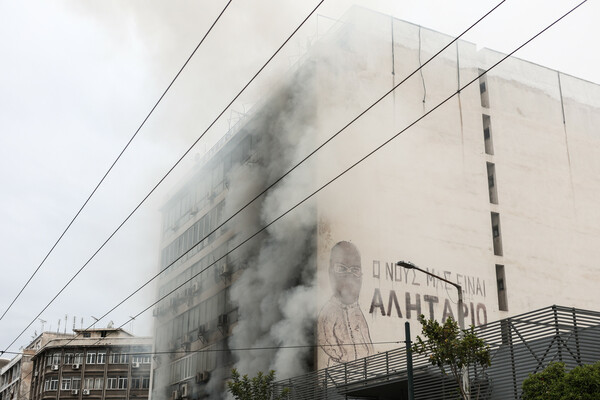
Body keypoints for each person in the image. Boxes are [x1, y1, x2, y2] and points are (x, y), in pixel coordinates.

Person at [318, 241, 374, 366]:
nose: (349, 275)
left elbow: (366, 341)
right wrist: (344, 357)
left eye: (355, 270)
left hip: (363, 373)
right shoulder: (329, 311)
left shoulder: (357, 312)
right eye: (341, 268)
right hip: (340, 372)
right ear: (330, 272)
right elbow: (325, 340)